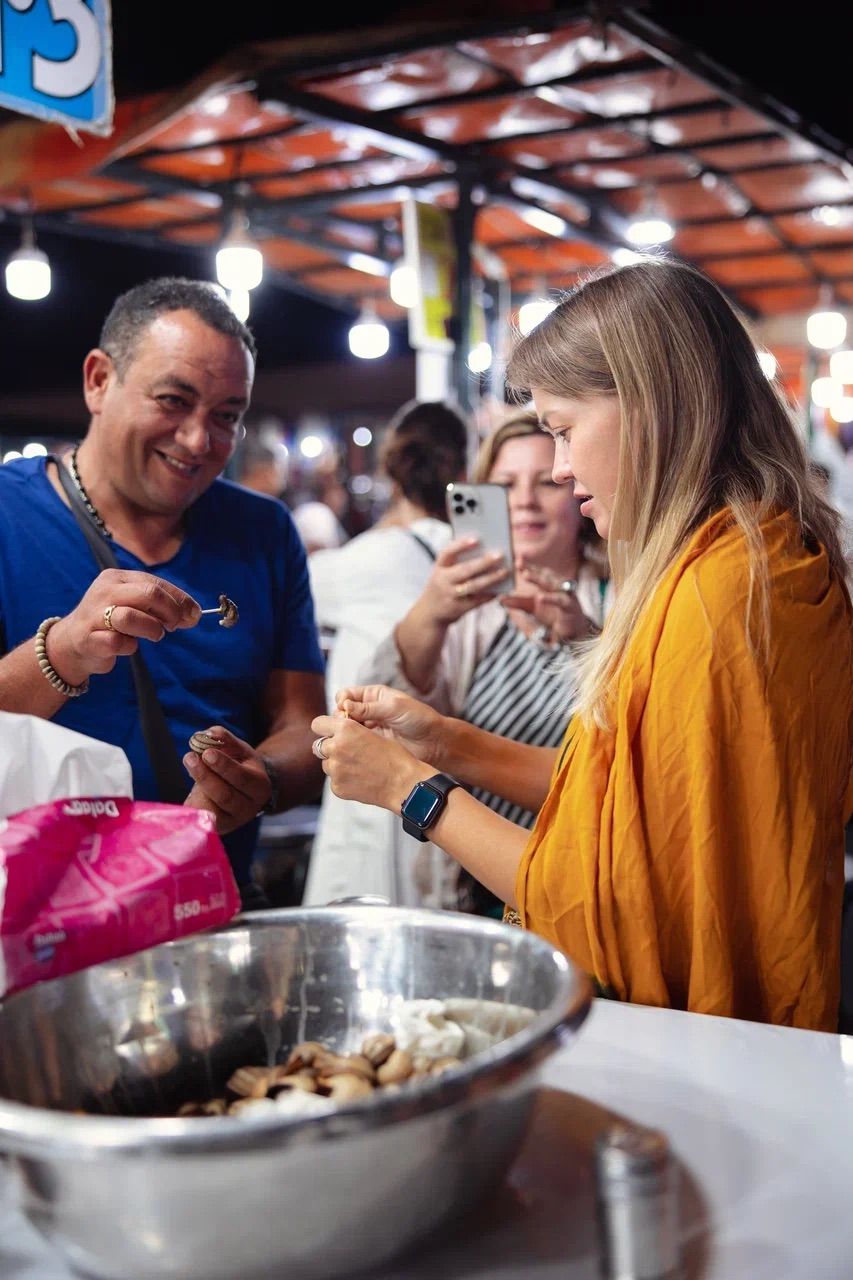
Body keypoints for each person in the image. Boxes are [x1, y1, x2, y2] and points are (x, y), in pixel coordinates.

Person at [310, 258, 852, 1031]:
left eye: (563, 432)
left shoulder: (715, 594)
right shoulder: (737, 557)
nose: (560, 472)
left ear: (652, 407)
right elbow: (620, 802)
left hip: (704, 1040)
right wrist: (445, 742)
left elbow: (605, 901)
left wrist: (410, 789)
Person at [0, 277, 326, 893]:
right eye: (173, 400)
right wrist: (62, 652)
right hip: (39, 918)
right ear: (99, 380)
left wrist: (263, 778)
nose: (199, 441)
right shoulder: (8, 514)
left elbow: (303, 726)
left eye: (226, 417)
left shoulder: (263, 532)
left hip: (205, 903)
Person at [361, 408, 607, 917]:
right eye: (505, 484)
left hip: (582, 879)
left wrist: (584, 637)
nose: (524, 501)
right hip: (468, 884)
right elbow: (375, 712)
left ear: (576, 487)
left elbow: (631, 734)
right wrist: (431, 612)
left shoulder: (617, 593)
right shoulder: (464, 605)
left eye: (546, 483)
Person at [302, 399, 468, 906]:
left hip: (365, 799)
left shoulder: (364, 560)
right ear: (462, 472)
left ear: (392, 473)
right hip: (451, 799)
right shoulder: (471, 555)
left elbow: (297, 589)